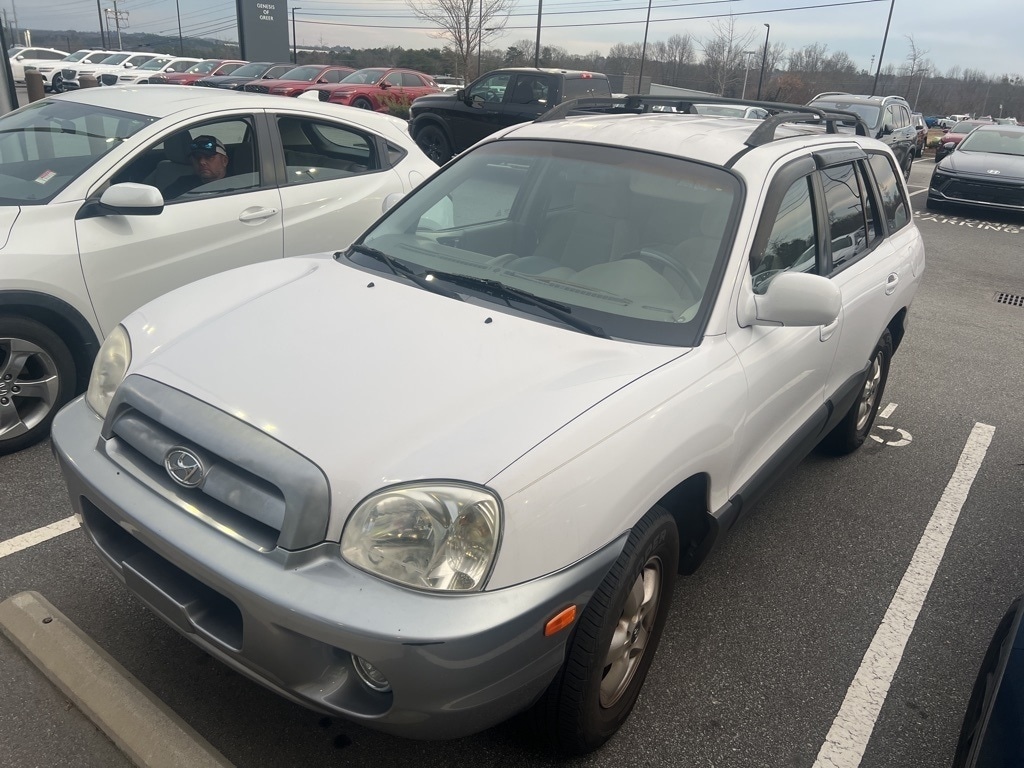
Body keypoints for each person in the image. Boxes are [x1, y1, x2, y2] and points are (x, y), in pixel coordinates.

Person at [163, 135, 230, 199]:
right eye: (197, 157)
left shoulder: (236, 186)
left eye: (208, 157)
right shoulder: (181, 184)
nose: (201, 162)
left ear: (224, 161)